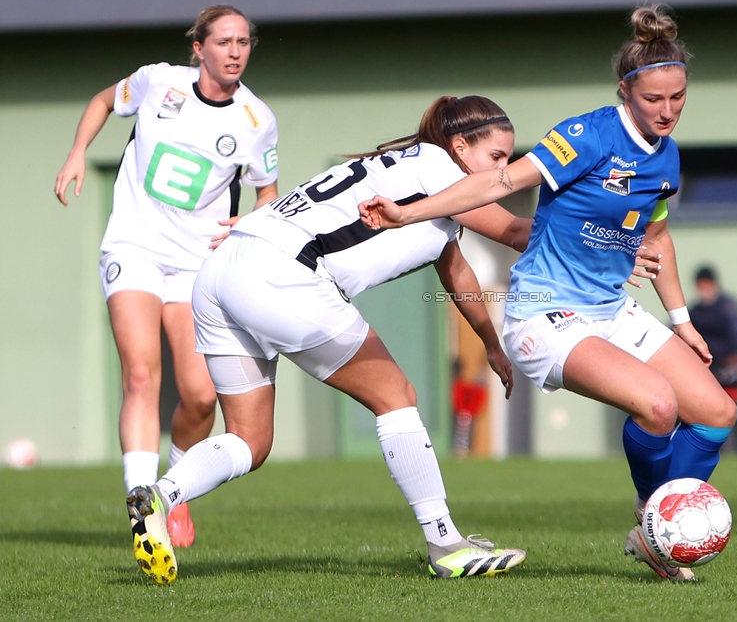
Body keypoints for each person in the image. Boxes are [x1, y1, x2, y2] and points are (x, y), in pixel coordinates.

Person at [361, 4, 737, 582]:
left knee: (716, 412)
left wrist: (682, 319)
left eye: (678, 97)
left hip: (612, 308)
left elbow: (657, 236)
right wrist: (408, 213)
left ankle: (654, 529)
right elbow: (500, 180)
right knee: (659, 406)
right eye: (654, 99)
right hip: (546, 313)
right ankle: (656, 521)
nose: (667, 111)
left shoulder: (668, 157)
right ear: (626, 89)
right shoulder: (587, 135)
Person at [124, 95, 532, 584]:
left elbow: (456, 268)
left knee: (250, 441)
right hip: (282, 277)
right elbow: (514, 232)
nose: (504, 172)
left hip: (224, 271)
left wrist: (489, 340)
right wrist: (618, 236)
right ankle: (446, 545)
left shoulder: (424, 177)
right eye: (497, 159)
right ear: (459, 146)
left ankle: (160, 495)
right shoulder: (443, 171)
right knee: (396, 398)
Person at [54, 5, 279, 548]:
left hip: (197, 263)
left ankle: (171, 492)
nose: (234, 51)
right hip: (133, 247)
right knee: (140, 374)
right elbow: (104, 100)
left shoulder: (256, 120)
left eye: (243, 42)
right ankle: (141, 509)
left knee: (201, 396)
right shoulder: (158, 83)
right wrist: (78, 153)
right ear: (198, 47)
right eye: (223, 41)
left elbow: (267, 195)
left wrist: (252, 220)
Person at [689, 265, 737, 453]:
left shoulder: (726, 307)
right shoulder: (696, 310)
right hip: (708, 368)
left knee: (732, 409)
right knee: (707, 410)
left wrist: (736, 363)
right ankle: (714, 450)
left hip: (729, 368)